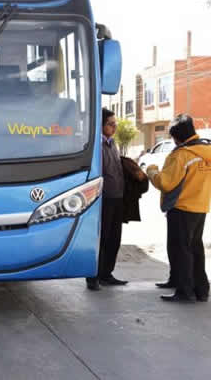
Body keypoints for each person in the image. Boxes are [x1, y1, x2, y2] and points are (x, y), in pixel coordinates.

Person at [146, 114, 211, 303]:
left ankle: (185, 291)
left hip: (182, 208)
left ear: (178, 137)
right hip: (200, 206)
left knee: (181, 250)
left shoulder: (182, 155)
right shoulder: (207, 150)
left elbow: (166, 183)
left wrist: (151, 170)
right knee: (195, 248)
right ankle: (200, 290)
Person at [87, 109, 129, 291]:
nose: (114, 127)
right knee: (101, 239)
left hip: (117, 197)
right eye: (111, 124)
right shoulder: (96, 145)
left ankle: (107, 274)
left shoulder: (113, 144)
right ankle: (93, 276)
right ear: (101, 124)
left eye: (115, 124)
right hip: (102, 198)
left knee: (114, 238)